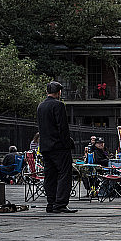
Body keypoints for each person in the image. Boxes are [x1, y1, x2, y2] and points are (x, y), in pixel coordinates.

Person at [37, 81, 77, 213]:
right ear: (59, 92)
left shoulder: (41, 106)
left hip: (45, 146)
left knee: (50, 175)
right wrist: (67, 144)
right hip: (59, 146)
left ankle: (51, 203)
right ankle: (60, 203)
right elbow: (62, 127)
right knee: (64, 174)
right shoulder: (58, 105)